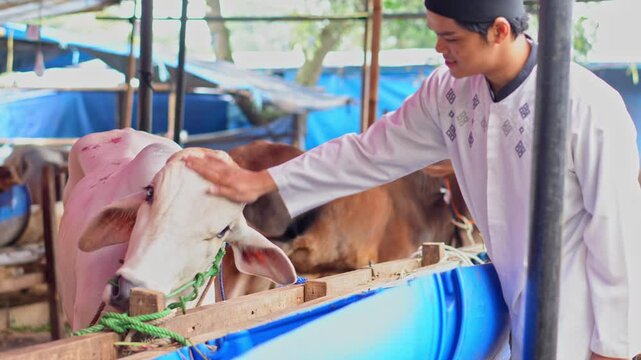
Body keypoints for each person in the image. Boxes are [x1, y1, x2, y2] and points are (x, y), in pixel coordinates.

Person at [184, 0, 641, 358]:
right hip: (515, 304)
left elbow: (618, 235)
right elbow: (367, 153)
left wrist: (614, 348)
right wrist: (263, 183)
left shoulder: (587, 107)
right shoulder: (449, 93)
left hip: (584, 315)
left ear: (500, 31)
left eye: (450, 38)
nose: (440, 50)